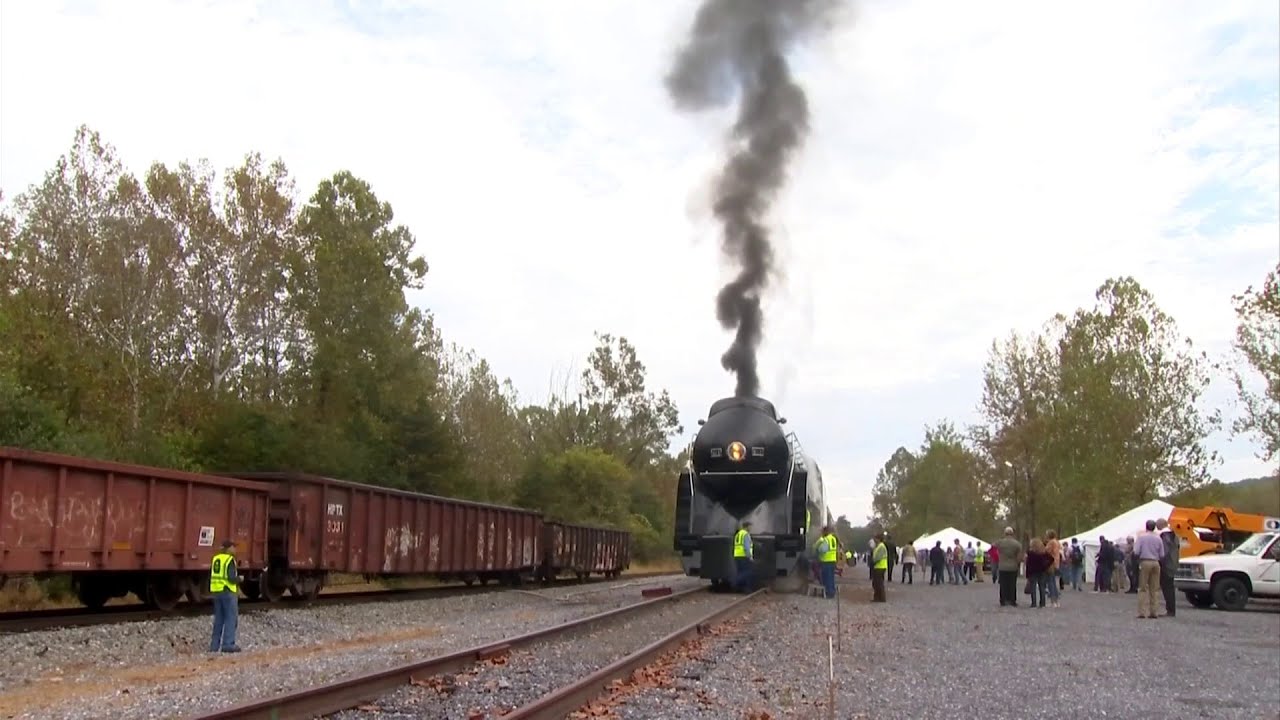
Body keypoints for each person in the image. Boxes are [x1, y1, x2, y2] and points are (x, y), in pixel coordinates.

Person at [210, 538, 242, 653]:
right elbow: (231, 578)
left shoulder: (216, 559)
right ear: (228, 549)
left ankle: (214, 646)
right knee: (231, 618)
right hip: (228, 592)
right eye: (233, 547)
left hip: (217, 592)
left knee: (219, 619)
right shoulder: (230, 560)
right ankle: (228, 644)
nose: (235, 549)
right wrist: (240, 579)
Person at [1133, 520, 1166, 619]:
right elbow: (1162, 554)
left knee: (1142, 588)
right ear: (1154, 527)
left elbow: (1136, 551)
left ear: (1146, 526)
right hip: (1156, 562)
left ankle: (1142, 612)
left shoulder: (1141, 537)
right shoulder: (1158, 538)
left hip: (1145, 561)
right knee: (1154, 588)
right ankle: (1154, 611)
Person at [1155, 518, 1179, 617]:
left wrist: (1159, 560)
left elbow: (1164, 552)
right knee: (1170, 587)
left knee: (1167, 588)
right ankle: (1171, 609)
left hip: (1166, 565)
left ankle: (1170, 610)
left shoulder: (1165, 536)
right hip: (1173, 563)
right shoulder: (1174, 535)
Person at [995, 527, 1023, 607]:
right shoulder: (1017, 544)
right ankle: (1012, 600)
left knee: (1003, 584)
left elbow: (993, 547)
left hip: (1002, 566)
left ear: (1005, 533)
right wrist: (1018, 563)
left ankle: (1003, 600)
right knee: (1012, 584)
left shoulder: (1000, 543)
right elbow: (1019, 556)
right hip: (1013, 566)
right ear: (1012, 533)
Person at [1025, 538, 1051, 608]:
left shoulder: (1030, 553)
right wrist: (1046, 566)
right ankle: (1042, 603)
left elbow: (1028, 564)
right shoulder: (1044, 552)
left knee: (1033, 588)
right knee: (1042, 587)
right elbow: (1051, 559)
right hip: (1042, 571)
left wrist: (1027, 574)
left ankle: (1034, 603)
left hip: (1032, 572)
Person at [815, 525, 839, 598]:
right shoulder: (833, 539)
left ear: (826, 531)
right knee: (831, 577)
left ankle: (829, 593)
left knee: (827, 578)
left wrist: (818, 548)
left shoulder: (826, 539)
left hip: (826, 561)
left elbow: (822, 549)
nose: (821, 533)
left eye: (822, 531)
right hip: (832, 560)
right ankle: (832, 592)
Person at [733, 521, 755, 593]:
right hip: (744, 556)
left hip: (737, 556)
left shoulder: (738, 534)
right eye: (750, 526)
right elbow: (746, 547)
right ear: (747, 526)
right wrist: (750, 557)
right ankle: (735, 581)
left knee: (740, 571)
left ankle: (743, 589)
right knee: (748, 572)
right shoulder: (746, 534)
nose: (751, 528)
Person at [870, 533, 888, 602]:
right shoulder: (878, 546)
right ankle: (877, 597)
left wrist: (873, 562)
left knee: (878, 583)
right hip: (878, 566)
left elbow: (878, 557)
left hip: (880, 566)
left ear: (878, 539)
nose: (874, 540)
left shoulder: (881, 546)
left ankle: (881, 597)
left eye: (875, 538)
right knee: (876, 583)